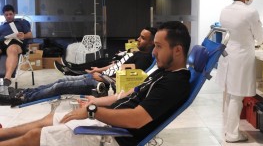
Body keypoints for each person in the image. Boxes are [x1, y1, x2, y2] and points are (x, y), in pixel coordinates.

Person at [0, 21, 191, 146]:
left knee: (36, 136)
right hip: (107, 123)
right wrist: (97, 101)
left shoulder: (174, 83)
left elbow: (137, 119)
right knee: (49, 119)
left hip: (115, 136)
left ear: (177, 50)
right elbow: (130, 93)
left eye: (159, 46)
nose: (154, 51)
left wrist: (93, 111)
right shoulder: (164, 73)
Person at [0, 27, 157, 106]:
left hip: (102, 83)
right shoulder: (137, 53)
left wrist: (102, 77)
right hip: (99, 76)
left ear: (151, 42)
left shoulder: (143, 59)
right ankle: (25, 92)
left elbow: (129, 82)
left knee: (60, 87)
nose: (138, 39)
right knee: (60, 82)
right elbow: (117, 65)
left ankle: (21, 99)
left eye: (142, 38)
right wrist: (99, 70)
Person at [216, 0, 263, 143]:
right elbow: (260, 36)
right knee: (237, 96)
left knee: (229, 94)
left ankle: (228, 130)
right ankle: (232, 135)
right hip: (242, 56)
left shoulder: (225, 11)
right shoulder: (250, 12)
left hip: (227, 55)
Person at [0, 4, 33, 86]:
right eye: (6, 15)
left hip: (16, 42)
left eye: (10, 14)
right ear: (4, 15)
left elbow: (30, 34)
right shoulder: (2, 26)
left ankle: (7, 79)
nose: (8, 16)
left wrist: (24, 36)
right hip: (2, 43)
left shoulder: (21, 22)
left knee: (12, 49)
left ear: (14, 13)